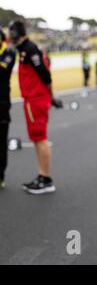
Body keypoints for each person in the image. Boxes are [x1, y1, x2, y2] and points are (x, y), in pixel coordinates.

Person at [8, 20, 63, 194]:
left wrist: (51, 96)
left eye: (12, 32)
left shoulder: (30, 48)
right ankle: (42, 176)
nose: (10, 36)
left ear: (17, 33)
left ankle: (46, 179)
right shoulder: (23, 48)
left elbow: (45, 75)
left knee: (40, 138)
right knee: (37, 138)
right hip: (33, 99)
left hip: (36, 100)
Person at [0, 29, 16, 189]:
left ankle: (0, 176)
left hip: (2, 104)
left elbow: (2, 71)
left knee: (1, 142)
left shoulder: (9, 52)